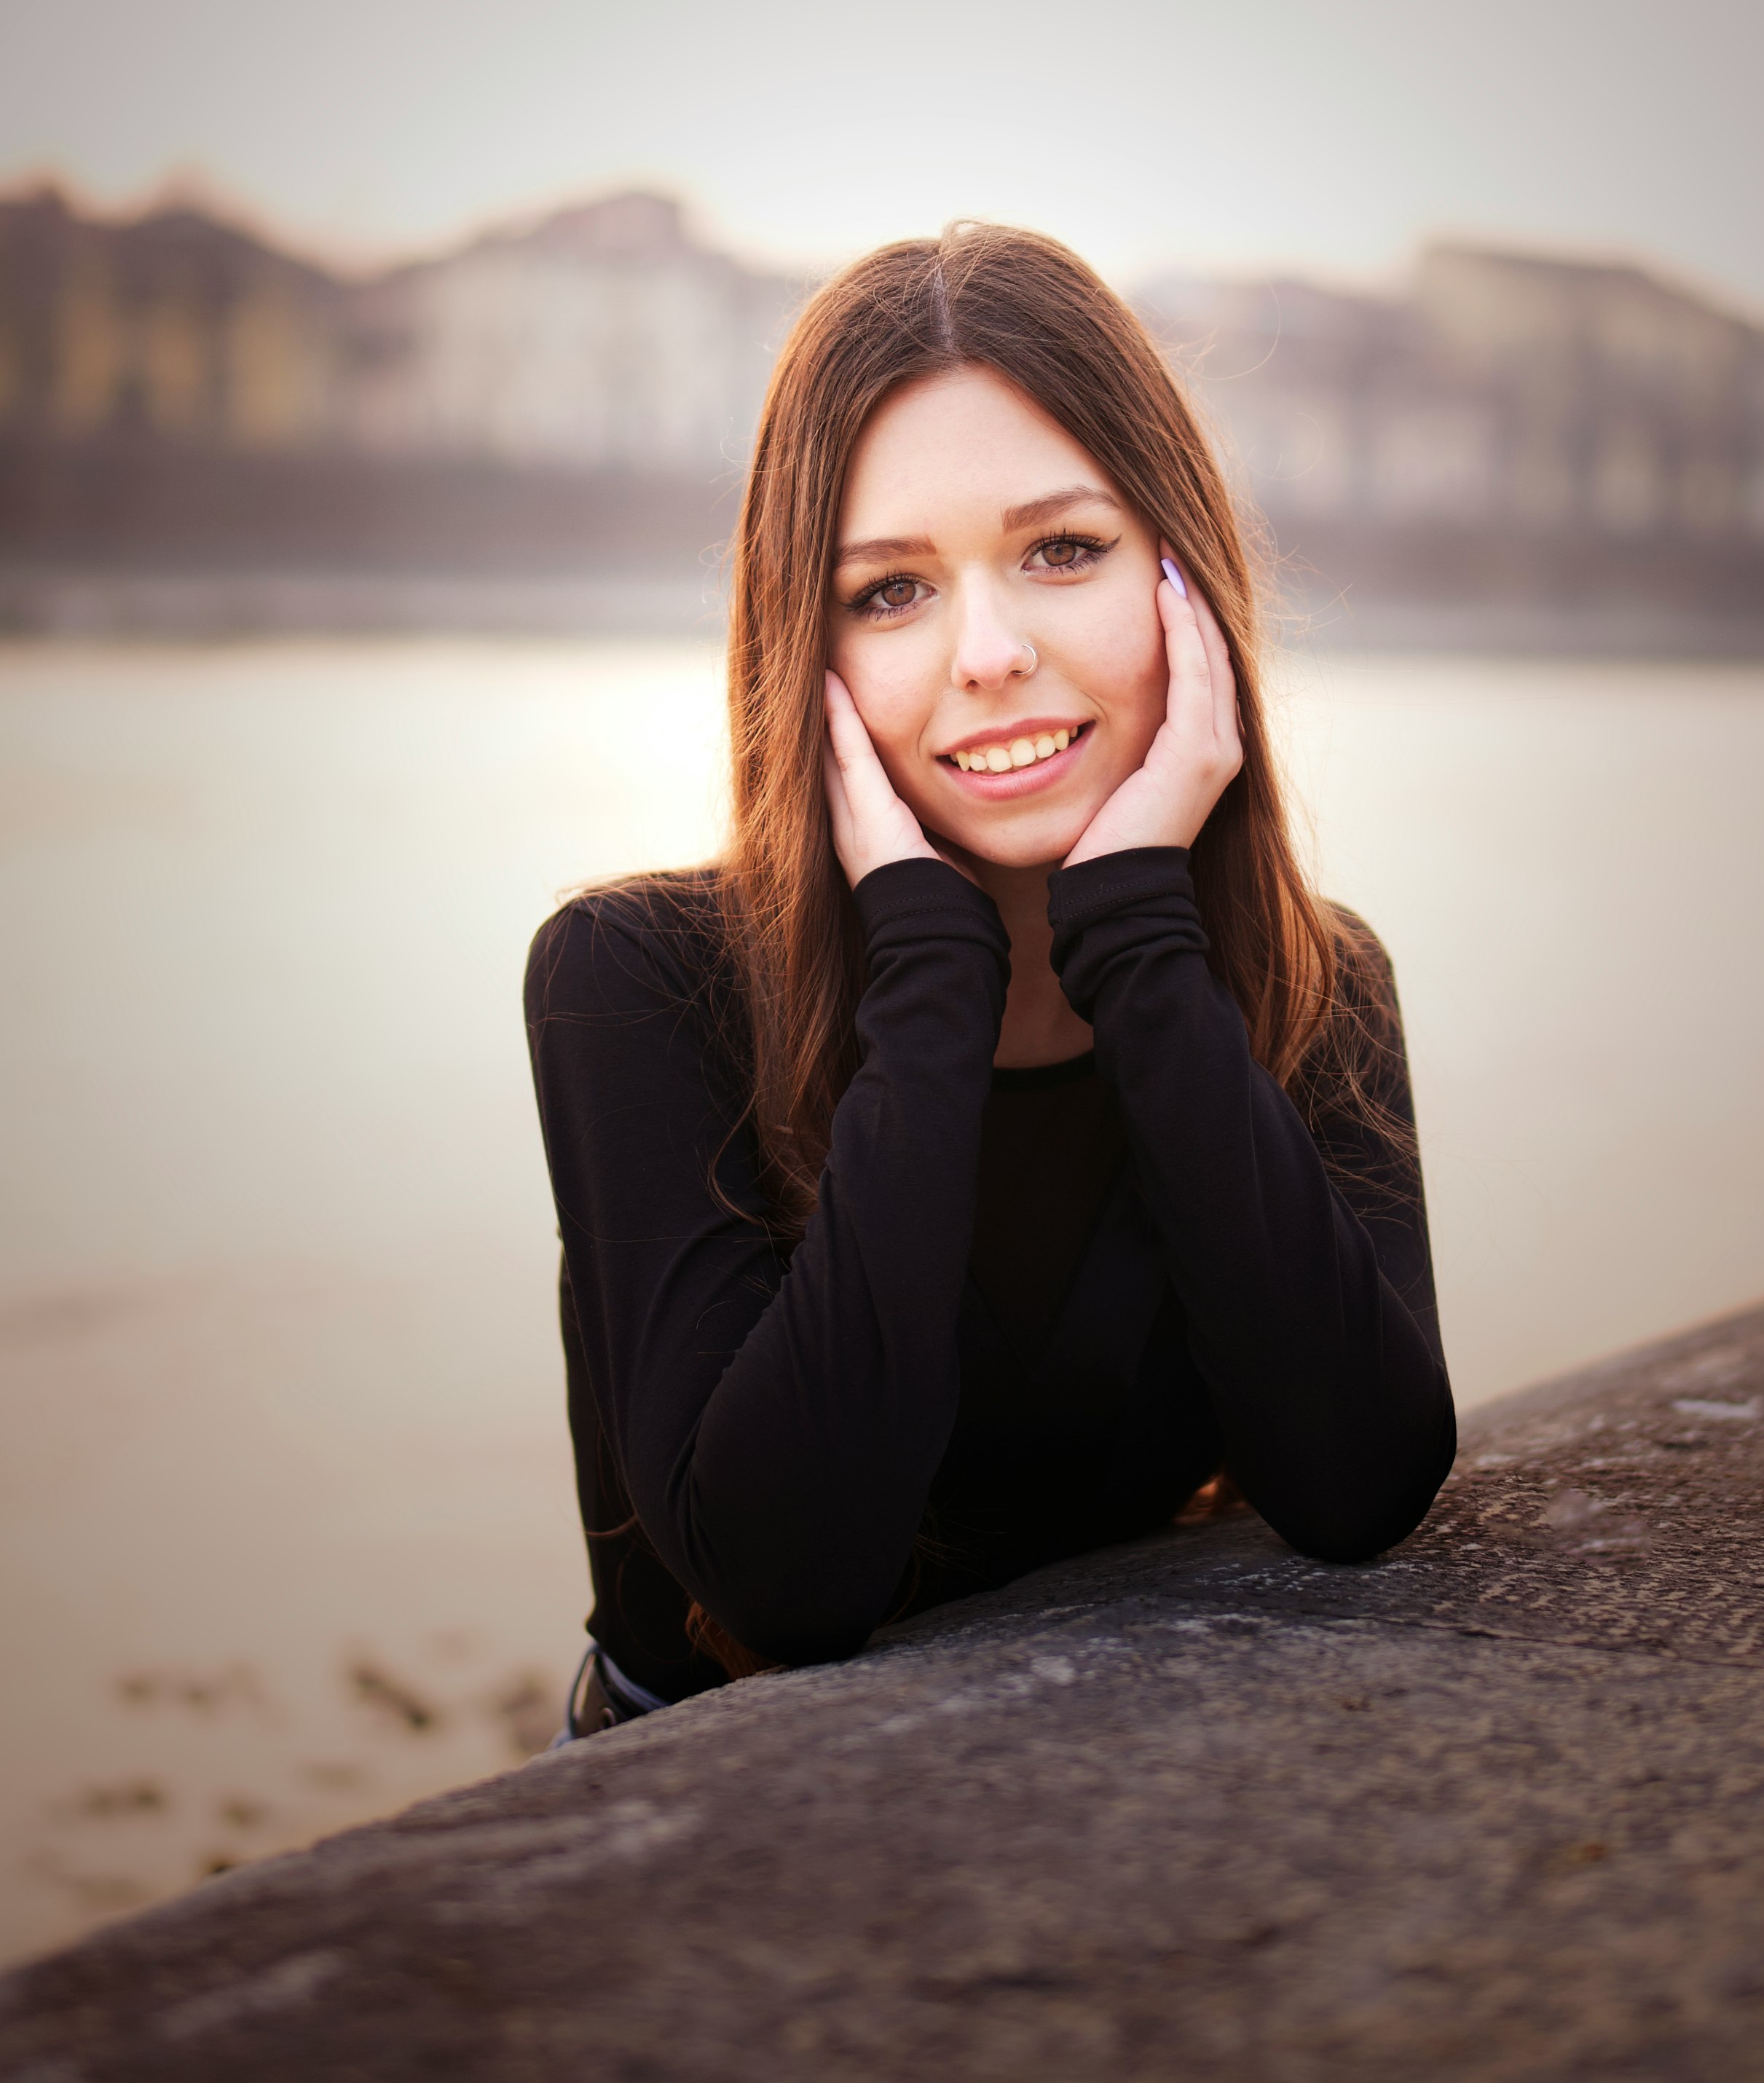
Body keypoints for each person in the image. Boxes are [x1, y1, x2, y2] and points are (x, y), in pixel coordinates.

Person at [526, 224, 1454, 1734]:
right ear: (797, 644)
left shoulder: (1312, 980)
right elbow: (788, 1578)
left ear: (1185, 582)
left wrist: (1141, 944)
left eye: (1062, 551)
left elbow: (1358, 1485)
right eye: (888, 591)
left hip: (1156, 1836)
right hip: (697, 1894)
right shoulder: (633, 986)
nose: (990, 652)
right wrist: (928, 967)